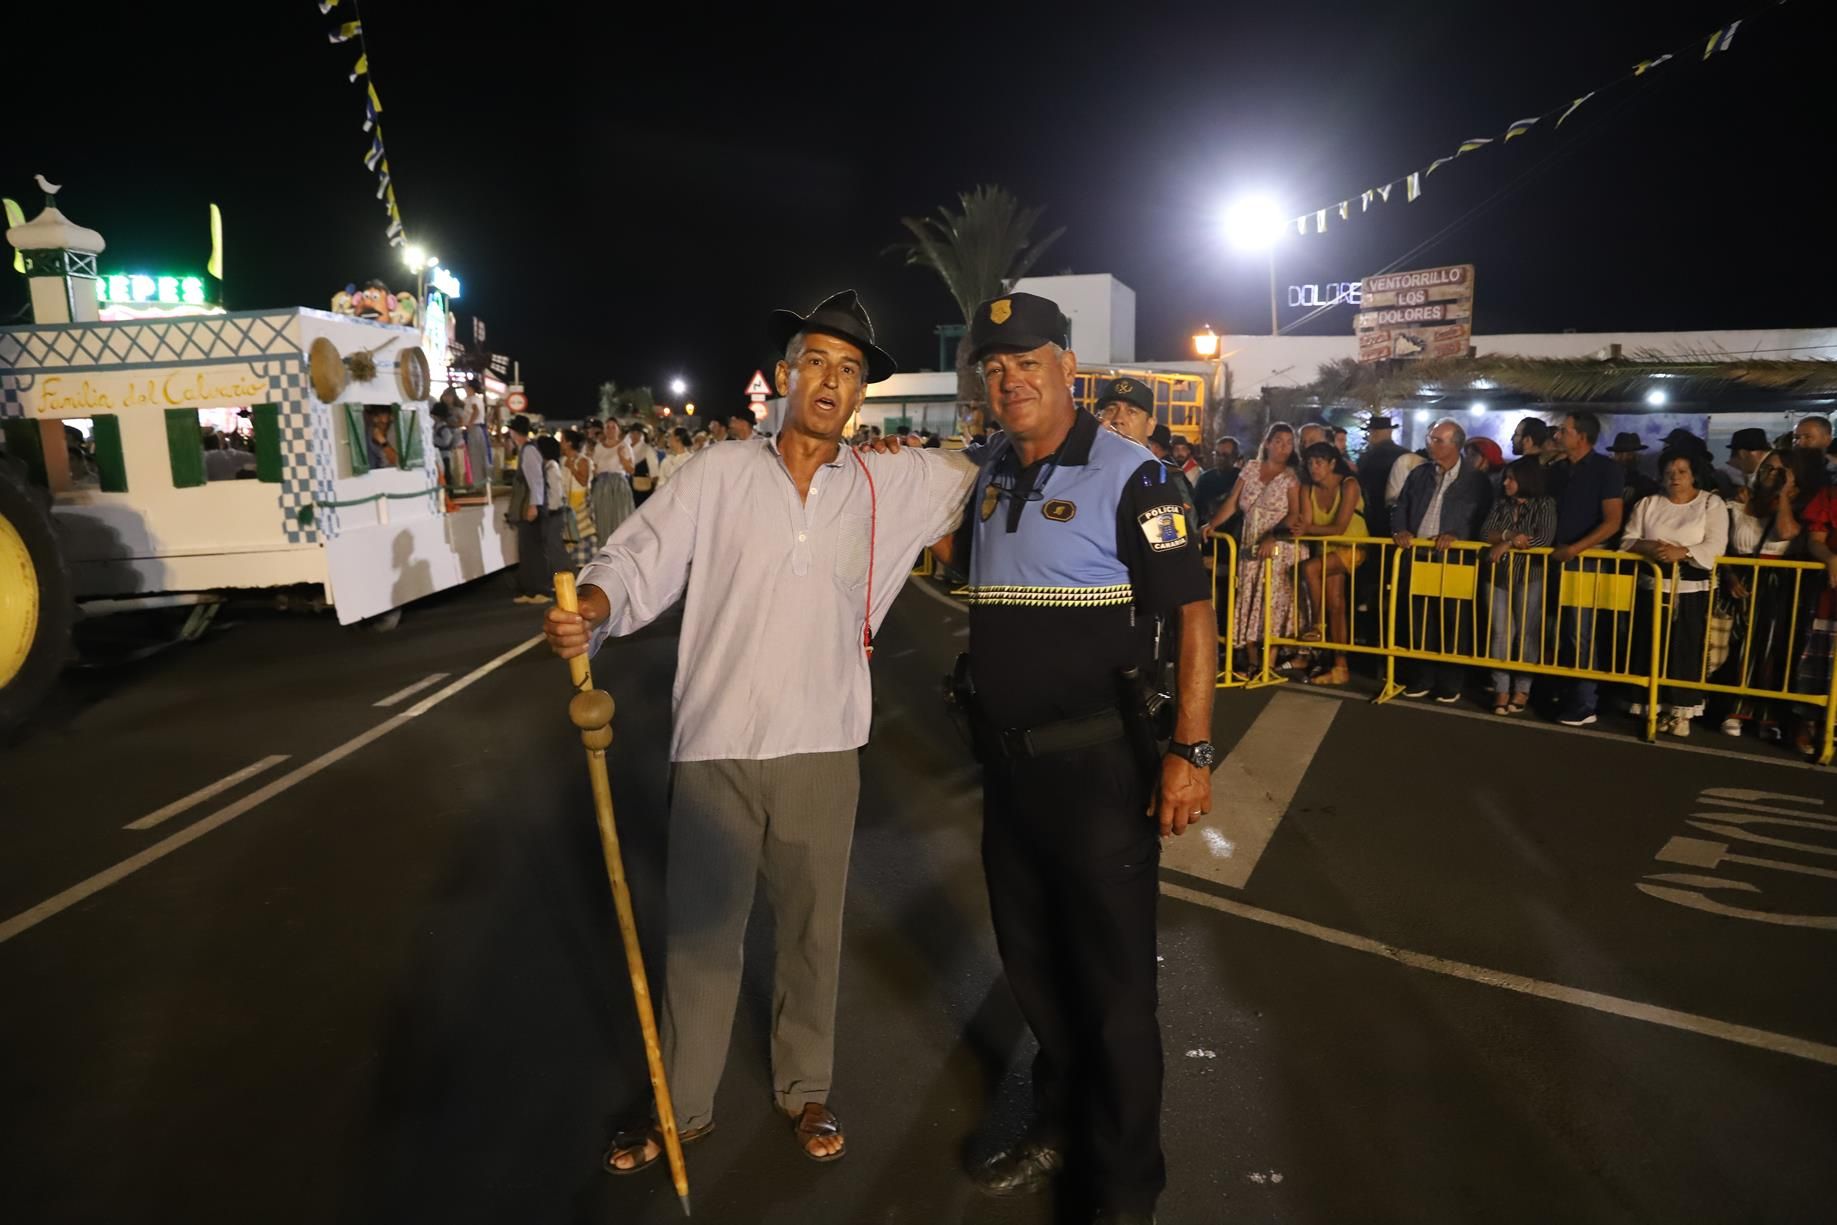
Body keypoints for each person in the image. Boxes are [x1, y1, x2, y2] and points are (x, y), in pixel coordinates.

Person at [544, 290, 975, 1175]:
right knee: (702, 936)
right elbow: (637, 556)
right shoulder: (717, 473)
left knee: (814, 932)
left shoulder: (887, 481)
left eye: (848, 370)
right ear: (785, 375)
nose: (830, 380)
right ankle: (682, 1106)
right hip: (718, 741)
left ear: (860, 395)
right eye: (816, 361)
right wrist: (591, 605)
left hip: (823, 742)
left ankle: (805, 1088)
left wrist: (934, 445)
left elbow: (984, 463)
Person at [952, 292, 1213, 1225]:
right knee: (1034, 968)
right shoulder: (988, 470)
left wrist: (1190, 748)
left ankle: (1125, 1191)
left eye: (1027, 361)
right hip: (1010, 774)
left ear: (1068, 367)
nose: (1010, 379)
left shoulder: (1135, 474)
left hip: (1100, 773)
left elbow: (1191, 614)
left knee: (1114, 994)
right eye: (994, 367)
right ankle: (1059, 1123)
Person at [1622, 446, 1729, 736]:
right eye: (1669, 472)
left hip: (1692, 591)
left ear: (1694, 475)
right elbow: (1628, 540)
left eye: (1682, 471)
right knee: (1650, 646)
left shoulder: (1710, 504)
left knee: (1685, 649)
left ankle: (1681, 712)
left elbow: (1715, 545)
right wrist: (1650, 547)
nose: (1675, 477)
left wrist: (1682, 552)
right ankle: (1653, 707)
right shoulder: (1648, 503)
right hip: (1653, 588)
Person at [1391, 417, 1493, 702]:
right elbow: (1400, 507)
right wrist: (1400, 530)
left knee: (1454, 620)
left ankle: (1450, 681)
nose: (1430, 444)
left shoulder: (1476, 480)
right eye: (1431, 439)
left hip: (1456, 560)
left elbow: (1484, 519)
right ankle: (1422, 677)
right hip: (1419, 555)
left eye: (1437, 440)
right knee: (1420, 618)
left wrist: (1457, 535)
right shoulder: (1420, 474)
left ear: (1455, 445)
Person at [1719, 448, 1815, 740]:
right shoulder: (1741, 500)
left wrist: (1783, 495)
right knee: (1738, 646)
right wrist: (1730, 575)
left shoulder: (1800, 504)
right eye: (1767, 468)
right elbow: (1725, 545)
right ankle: (1733, 708)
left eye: (1780, 470)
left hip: (1777, 583)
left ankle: (1765, 714)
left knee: (1770, 648)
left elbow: (1786, 532)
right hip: (1741, 578)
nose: (1771, 474)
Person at [1548, 411, 1627, 726]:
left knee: (1580, 631)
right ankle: (1563, 690)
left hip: (1587, 559)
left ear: (1581, 436)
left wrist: (1575, 549)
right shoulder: (1558, 470)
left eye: (1563, 430)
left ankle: (1585, 701)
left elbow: (1612, 521)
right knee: (1558, 628)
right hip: (1557, 556)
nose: (1557, 435)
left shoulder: (1606, 470)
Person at [1204, 423, 1301, 678]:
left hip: (1277, 545)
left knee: (1274, 601)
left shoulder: (1291, 478)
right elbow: (1233, 502)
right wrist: (1212, 524)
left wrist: (1273, 536)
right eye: (1278, 441)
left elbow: (1294, 514)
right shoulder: (1251, 469)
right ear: (1267, 443)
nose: (1283, 447)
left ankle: (1269, 661)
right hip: (1250, 541)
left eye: (1288, 443)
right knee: (1248, 596)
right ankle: (1252, 660)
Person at [1481, 458, 1557, 714]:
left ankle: (1522, 689)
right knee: (1500, 633)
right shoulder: (1501, 503)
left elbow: (1543, 538)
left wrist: (1506, 543)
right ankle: (1501, 689)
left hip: (1529, 575)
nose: (1505, 482)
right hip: (1497, 575)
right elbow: (1485, 532)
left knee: (1527, 634)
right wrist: (1510, 536)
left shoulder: (1544, 504)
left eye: (1511, 478)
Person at [1294, 440, 1369, 686]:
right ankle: (1340, 666)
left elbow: (1340, 527)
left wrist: (1307, 529)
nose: (1314, 468)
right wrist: (1302, 528)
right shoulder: (1307, 488)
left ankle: (1317, 624)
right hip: (1326, 549)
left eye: (1319, 462)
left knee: (1310, 568)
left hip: (1352, 546)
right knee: (1336, 605)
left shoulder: (1349, 484)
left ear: (1332, 463)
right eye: (1310, 463)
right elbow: (1306, 522)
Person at [507, 415, 554, 605]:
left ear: (514, 432)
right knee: (527, 549)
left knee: (533, 549)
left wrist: (534, 505)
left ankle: (541, 590)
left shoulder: (528, 451)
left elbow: (536, 481)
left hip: (532, 507)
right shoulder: (528, 449)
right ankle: (531, 589)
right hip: (532, 506)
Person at [1355, 414, 1406, 538]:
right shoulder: (1405, 455)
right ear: (1390, 431)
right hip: (1401, 515)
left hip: (1373, 514)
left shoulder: (1367, 457)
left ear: (1373, 433)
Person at [590, 418, 637, 539]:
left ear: (618, 430)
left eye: (613, 427)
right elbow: (595, 469)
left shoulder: (624, 446)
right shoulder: (599, 447)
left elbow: (631, 470)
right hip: (602, 486)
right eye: (607, 427)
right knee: (603, 518)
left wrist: (621, 457)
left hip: (618, 486)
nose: (610, 430)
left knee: (619, 517)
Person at [558, 428, 598, 568]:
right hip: (567, 500)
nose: (560, 443)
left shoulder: (583, 460)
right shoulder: (563, 460)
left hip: (580, 501)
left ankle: (584, 566)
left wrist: (572, 468)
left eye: (562, 440)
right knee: (570, 534)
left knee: (582, 534)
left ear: (569, 443)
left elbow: (583, 481)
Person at [1192, 436, 1241, 528]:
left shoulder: (1241, 479)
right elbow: (1196, 508)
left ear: (1235, 457)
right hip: (1207, 530)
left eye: (1225, 455)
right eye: (1217, 454)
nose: (1220, 458)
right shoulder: (1205, 479)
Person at [1607, 433, 1661, 509]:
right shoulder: (1607, 479)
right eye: (1619, 453)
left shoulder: (1644, 482)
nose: (1623, 457)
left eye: (1630, 453)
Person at [1721, 427, 1772, 499]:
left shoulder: (1747, 479)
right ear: (1743, 453)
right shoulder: (1721, 479)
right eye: (1762, 452)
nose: (1764, 457)